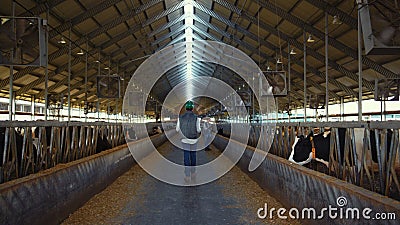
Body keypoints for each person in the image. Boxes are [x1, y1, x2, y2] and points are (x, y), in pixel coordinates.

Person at [176, 100, 201, 183]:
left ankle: (187, 176)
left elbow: (177, 129)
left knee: (186, 156)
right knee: (193, 156)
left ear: (186, 108)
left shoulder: (180, 117)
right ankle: (193, 173)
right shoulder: (197, 118)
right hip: (194, 140)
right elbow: (198, 129)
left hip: (184, 140)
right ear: (192, 108)